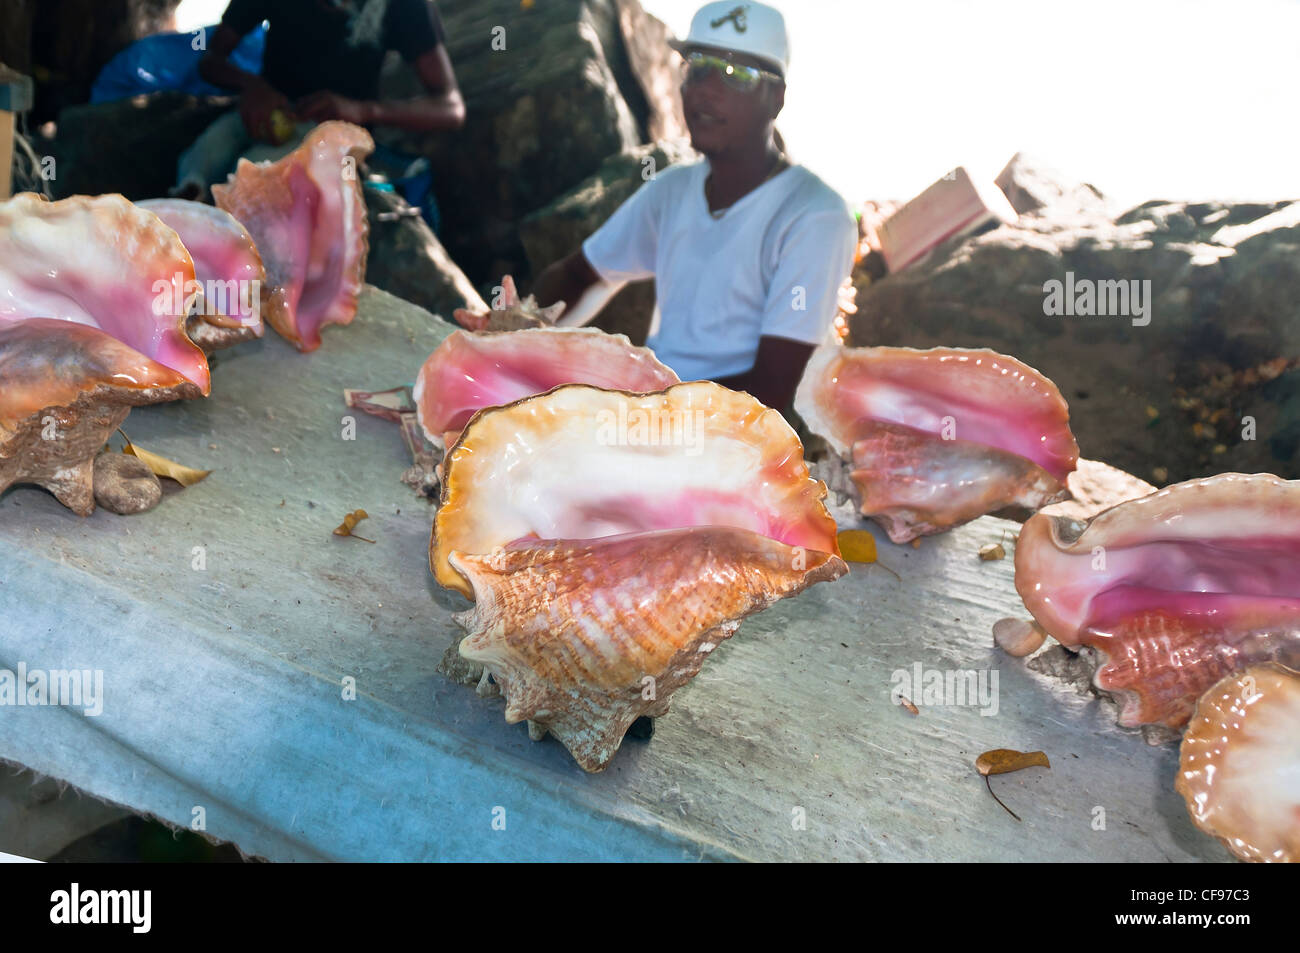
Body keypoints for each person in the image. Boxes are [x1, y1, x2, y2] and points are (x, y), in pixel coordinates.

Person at [532, 1, 856, 411]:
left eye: (737, 74)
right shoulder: (672, 190)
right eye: (697, 66)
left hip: (739, 444)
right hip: (653, 413)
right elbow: (583, 276)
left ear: (776, 98)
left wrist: (632, 404)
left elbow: (774, 390)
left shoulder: (815, 215)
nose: (706, 88)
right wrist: (521, 329)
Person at [173, 0, 465, 200]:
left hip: (335, 138)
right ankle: (187, 202)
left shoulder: (404, 6)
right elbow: (210, 61)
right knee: (205, 153)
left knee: (252, 177)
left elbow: (451, 108)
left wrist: (363, 111)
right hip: (260, 115)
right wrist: (252, 87)